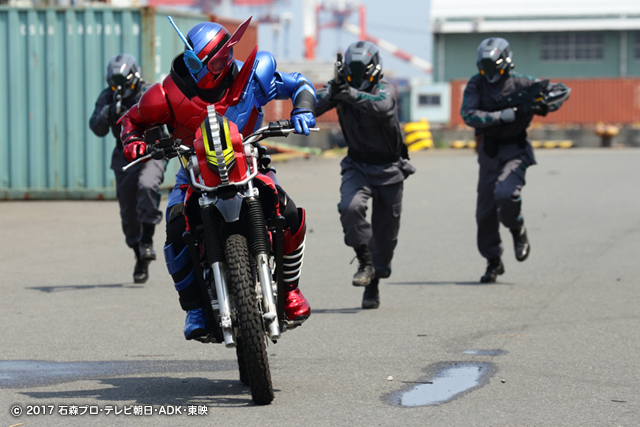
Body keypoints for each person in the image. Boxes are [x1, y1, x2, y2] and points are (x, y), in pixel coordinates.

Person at [119, 17, 316, 340]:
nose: (202, 69)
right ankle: (195, 307)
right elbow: (131, 120)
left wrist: (303, 109)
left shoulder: (254, 77)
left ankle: (291, 289)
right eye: (195, 61)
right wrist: (133, 142)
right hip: (193, 170)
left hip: (250, 161)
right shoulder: (166, 93)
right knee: (176, 226)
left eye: (212, 61)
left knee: (288, 211)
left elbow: (299, 84)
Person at [315, 41, 415, 309]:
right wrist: (332, 93)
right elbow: (311, 105)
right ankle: (364, 261)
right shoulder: (341, 89)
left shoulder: (385, 89)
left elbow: (383, 106)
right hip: (357, 166)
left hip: (389, 169)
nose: (357, 79)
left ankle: (374, 280)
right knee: (350, 207)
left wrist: (349, 94)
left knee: (386, 237)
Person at [461, 37, 570, 283]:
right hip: (489, 153)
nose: (489, 71)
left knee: (506, 194)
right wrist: (503, 115)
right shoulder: (477, 83)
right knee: (484, 214)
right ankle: (493, 260)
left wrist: (543, 102)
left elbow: (561, 91)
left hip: (515, 151)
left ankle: (517, 229)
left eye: (492, 65)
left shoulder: (522, 83)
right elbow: (468, 114)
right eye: (484, 66)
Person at [89, 54, 164, 284]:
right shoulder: (108, 97)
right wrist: (107, 113)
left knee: (147, 185)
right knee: (128, 214)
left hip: (151, 150)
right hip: (124, 154)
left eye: (124, 83)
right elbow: (96, 127)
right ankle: (138, 252)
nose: (120, 88)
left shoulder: (149, 91)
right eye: (115, 84)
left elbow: (168, 114)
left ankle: (147, 241)